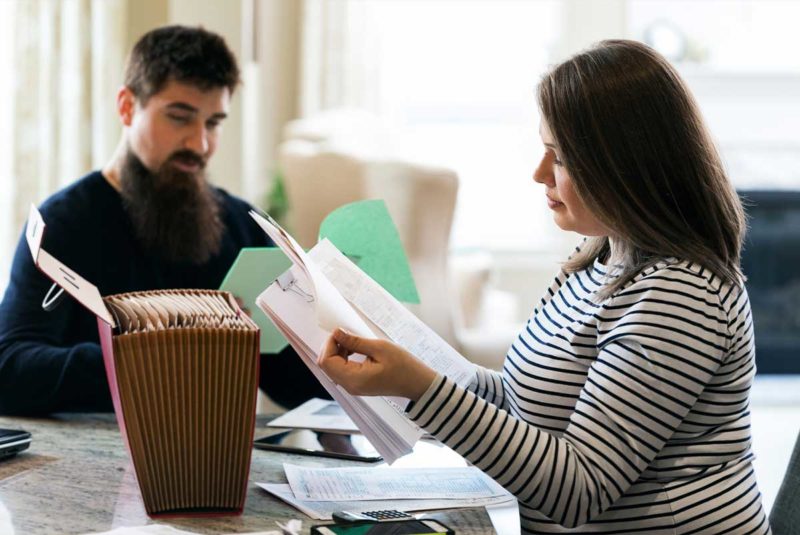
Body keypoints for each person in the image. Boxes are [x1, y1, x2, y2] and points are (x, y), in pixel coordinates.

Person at [318, 40, 770, 534]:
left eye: (559, 158)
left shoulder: (682, 296)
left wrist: (419, 387)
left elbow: (580, 489)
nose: (538, 174)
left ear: (623, 166)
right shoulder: (595, 262)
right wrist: (421, 372)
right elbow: (522, 402)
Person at [0, 25, 327, 414]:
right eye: (179, 117)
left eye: (213, 123)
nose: (200, 144)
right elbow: (10, 371)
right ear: (126, 107)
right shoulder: (63, 224)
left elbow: (286, 380)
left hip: (217, 455)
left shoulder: (242, 226)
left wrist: (335, 335)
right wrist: (160, 350)